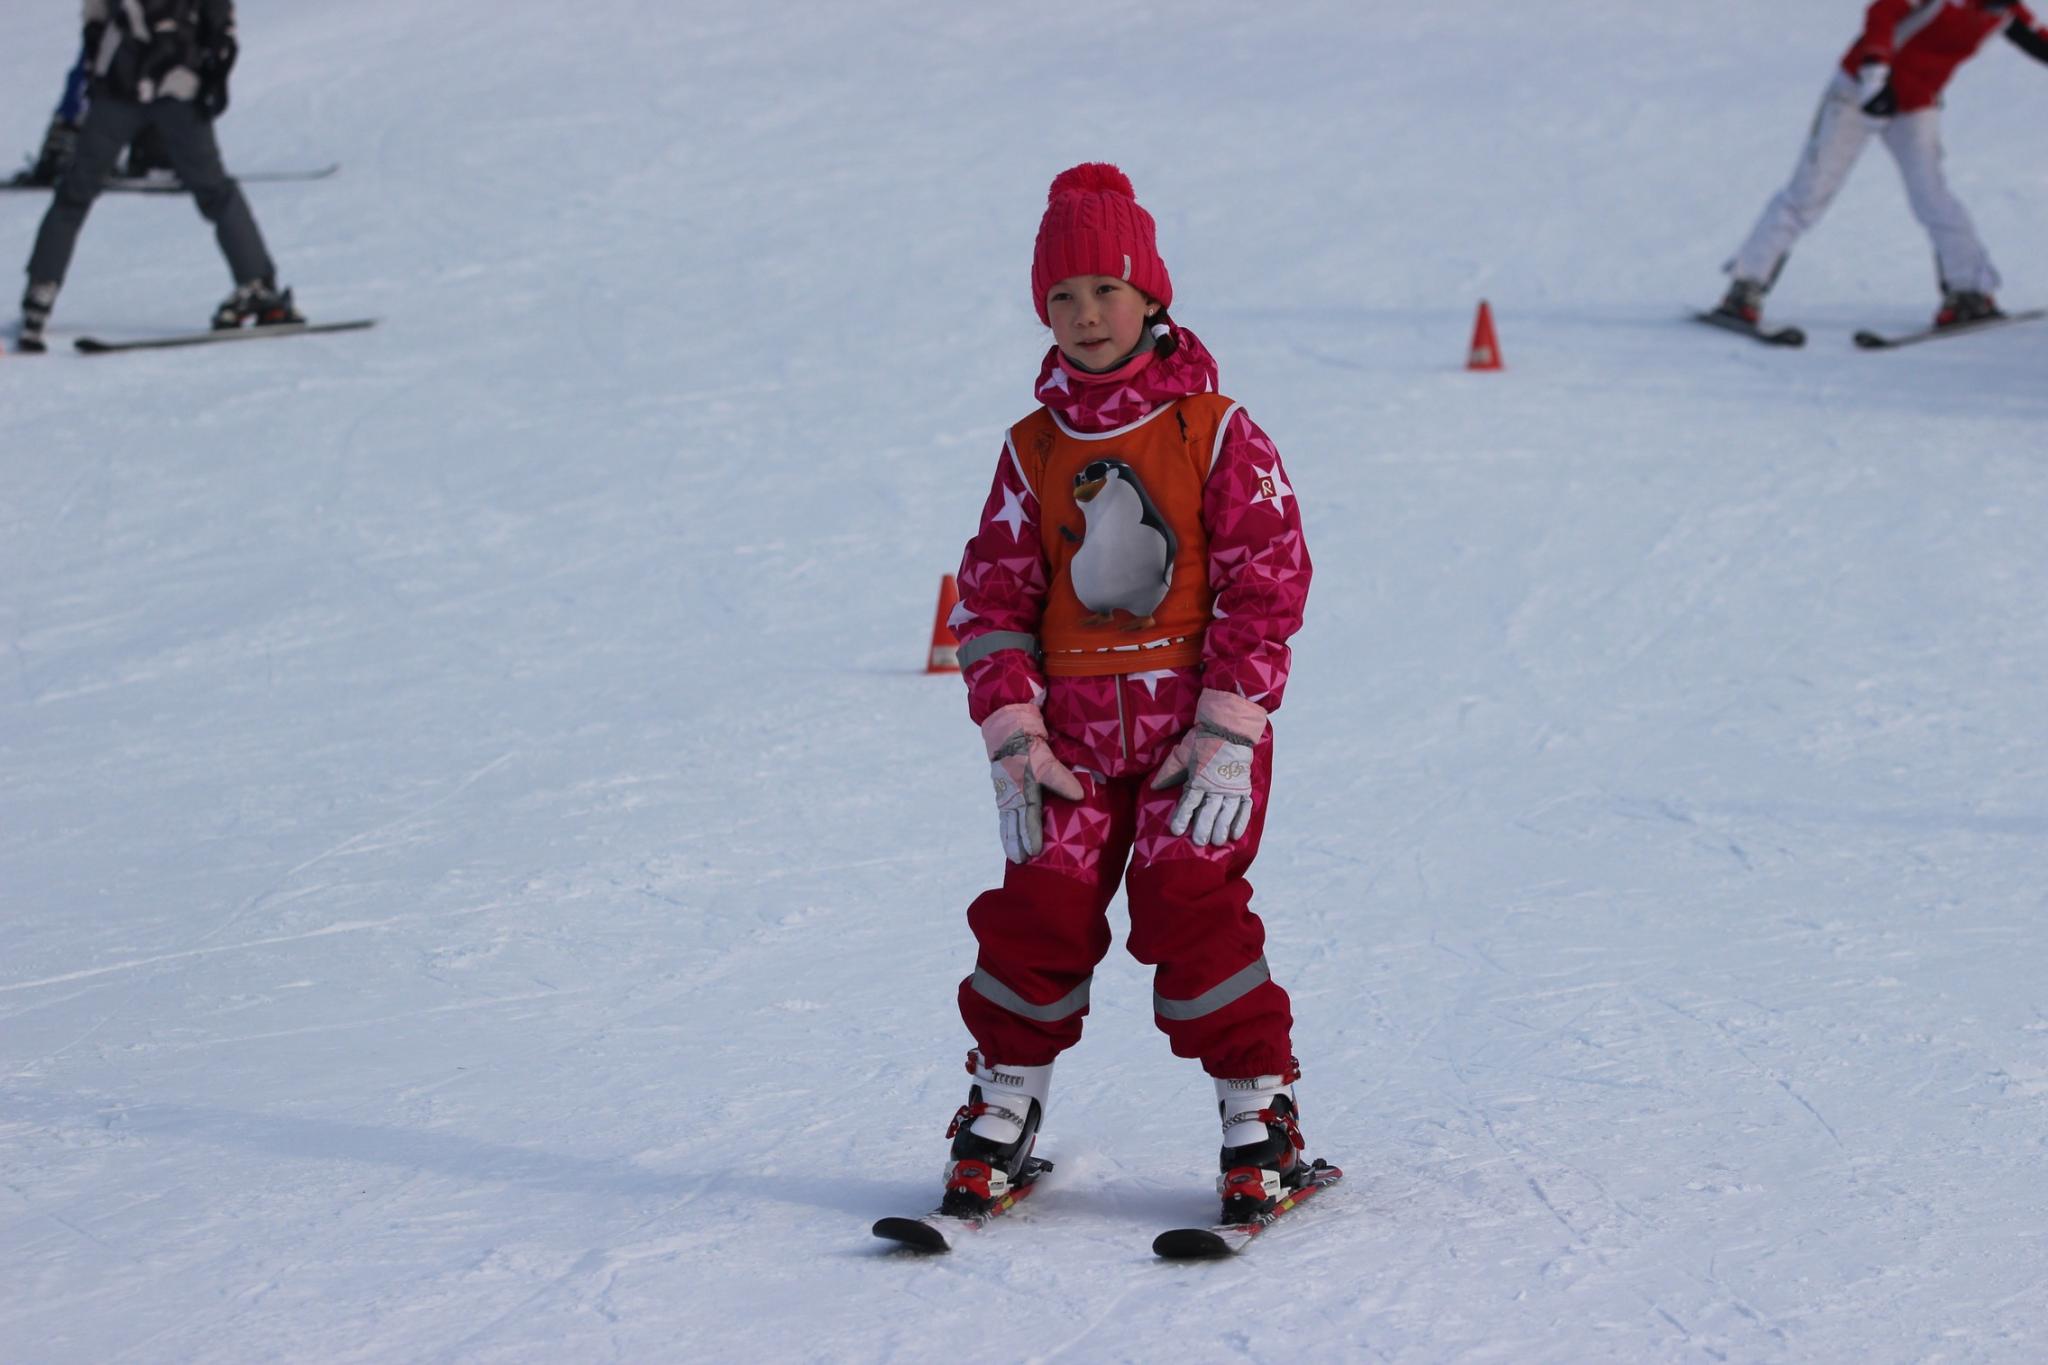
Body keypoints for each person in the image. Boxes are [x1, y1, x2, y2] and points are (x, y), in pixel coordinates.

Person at [935, 163, 1318, 1227]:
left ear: (1151, 295)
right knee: (1036, 913)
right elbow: (994, 601)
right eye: (1061, 297)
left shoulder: (1213, 432)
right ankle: (1003, 1106)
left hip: (1191, 743)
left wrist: (1231, 725)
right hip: (1066, 747)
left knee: (1187, 910)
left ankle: (1258, 1117)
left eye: (1104, 289)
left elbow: (1266, 578)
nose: (1084, 315)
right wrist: (1012, 734)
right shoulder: (1035, 450)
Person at [1713, 0, 2048, 331]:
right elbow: (1882, 11)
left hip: (1916, 105)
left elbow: (2037, 39)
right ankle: (1745, 286)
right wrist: (1875, 78)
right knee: (1808, 193)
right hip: (1858, 93)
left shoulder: (2006, 13)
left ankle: (1969, 291)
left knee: (1933, 197)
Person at [14, 0, 301, 353]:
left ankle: (40, 291)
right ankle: (256, 284)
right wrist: (218, 55)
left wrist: (95, 51)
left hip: (124, 83)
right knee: (214, 190)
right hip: (172, 82)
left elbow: (96, 14)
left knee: (75, 193)